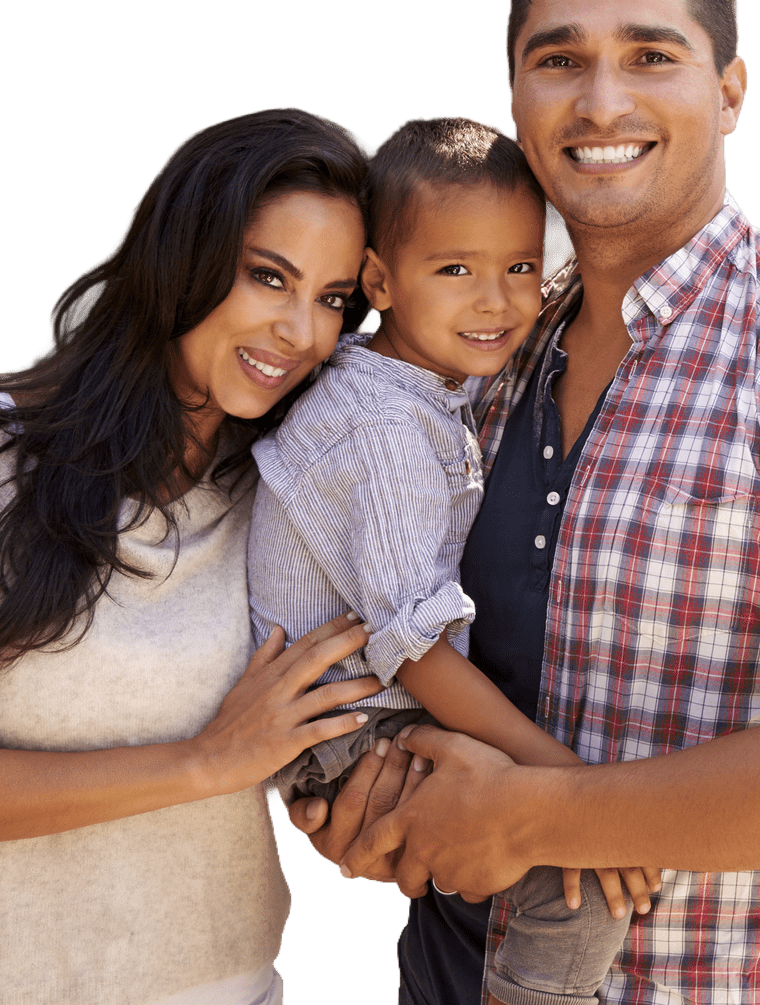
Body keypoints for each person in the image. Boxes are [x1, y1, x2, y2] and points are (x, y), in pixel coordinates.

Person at [297, 0, 760, 1005]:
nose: (599, 98)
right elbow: (370, 593)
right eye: (559, 60)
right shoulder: (488, 344)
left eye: (650, 55)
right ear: (517, 101)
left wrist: (533, 816)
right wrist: (371, 802)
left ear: (729, 91)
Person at [0, 107, 388, 1005]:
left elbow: (316, 740)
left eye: (333, 298)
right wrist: (203, 763)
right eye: (268, 277)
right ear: (183, 257)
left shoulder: (296, 498)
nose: (300, 332)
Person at [249, 116, 660, 1005]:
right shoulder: (385, 431)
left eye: (518, 269)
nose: (499, 303)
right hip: (355, 726)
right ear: (379, 282)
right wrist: (569, 790)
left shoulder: (417, 364)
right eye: (456, 271)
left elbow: (512, 263)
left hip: (373, 704)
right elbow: (418, 650)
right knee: (576, 880)